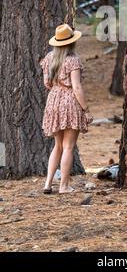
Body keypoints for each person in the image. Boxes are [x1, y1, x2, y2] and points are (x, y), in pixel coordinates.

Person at [40, 23, 93, 194]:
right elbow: (77, 88)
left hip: (53, 100)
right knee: (68, 146)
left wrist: (58, 89)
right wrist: (86, 110)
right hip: (70, 102)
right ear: (71, 42)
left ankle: (48, 184)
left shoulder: (49, 58)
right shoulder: (73, 61)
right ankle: (63, 186)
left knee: (58, 146)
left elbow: (46, 84)